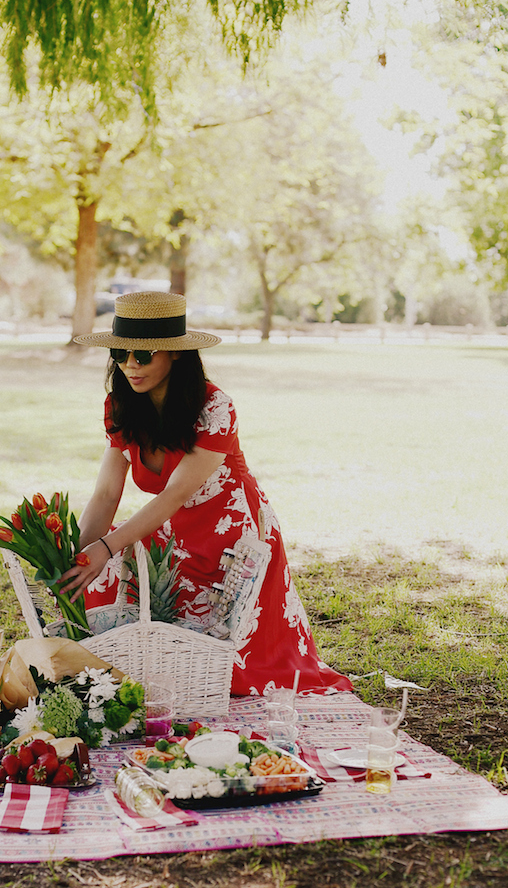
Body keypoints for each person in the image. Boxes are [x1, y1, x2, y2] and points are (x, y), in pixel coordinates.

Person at [59, 292, 351, 695]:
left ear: (177, 354)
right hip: (169, 530)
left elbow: (175, 493)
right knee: (115, 590)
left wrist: (106, 548)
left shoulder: (215, 407)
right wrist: (75, 559)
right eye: (120, 353)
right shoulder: (122, 406)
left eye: (143, 355)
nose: (130, 364)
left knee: (229, 670)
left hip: (231, 535)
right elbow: (107, 494)